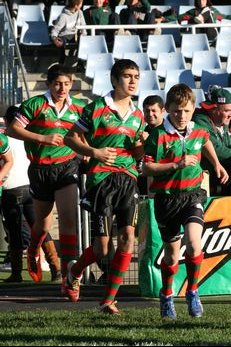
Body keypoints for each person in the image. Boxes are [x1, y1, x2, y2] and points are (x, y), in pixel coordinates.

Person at [63, 59, 144, 313]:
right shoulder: (97, 108)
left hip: (128, 178)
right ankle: (74, 271)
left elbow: (138, 152)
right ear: (114, 80)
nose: (133, 81)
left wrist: (143, 146)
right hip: (102, 180)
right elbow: (70, 137)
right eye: (127, 76)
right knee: (102, 248)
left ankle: (108, 300)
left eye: (136, 76)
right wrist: (93, 152)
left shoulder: (138, 114)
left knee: (128, 238)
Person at [143, 83, 229, 319]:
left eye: (187, 111)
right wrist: (176, 165)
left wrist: (217, 164)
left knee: (194, 244)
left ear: (193, 110)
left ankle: (192, 290)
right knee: (171, 256)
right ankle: (167, 293)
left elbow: (207, 142)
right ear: (168, 110)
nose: (182, 116)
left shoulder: (198, 130)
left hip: (192, 196)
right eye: (177, 111)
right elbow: (146, 168)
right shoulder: (158, 136)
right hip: (167, 200)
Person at [6, 64, 86, 296]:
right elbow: (12, 130)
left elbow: (85, 133)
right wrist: (43, 137)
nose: (63, 88)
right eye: (58, 84)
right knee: (43, 224)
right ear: (49, 84)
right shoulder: (35, 104)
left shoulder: (79, 108)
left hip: (66, 167)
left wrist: (89, 152)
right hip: (40, 169)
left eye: (67, 84)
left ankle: (68, 279)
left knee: (69, 222)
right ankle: (33, 249)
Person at [1, 105, 61, 283]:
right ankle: (56, 268)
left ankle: (17, 273)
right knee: (40, 228)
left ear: (6, 121)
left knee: (15, 232)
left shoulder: (5, 138)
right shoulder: (29, 137)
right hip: (31, 187)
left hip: (10, 189)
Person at [193, 85, 231, 196]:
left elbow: (228, 146)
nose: (230, 115)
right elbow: (219, 152)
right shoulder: (200, 121)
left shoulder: (221, 122)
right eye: (227, 111)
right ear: (214, 109)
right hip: (207, 175)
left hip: (221, 172)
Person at [137, 95, 165, 196]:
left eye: (154, 110)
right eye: (147, 111)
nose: (150, 114)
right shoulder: (140, 131)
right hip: (141, 178)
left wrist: (147, 142)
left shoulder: (170, 131)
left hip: (163, 179)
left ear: (163, 111)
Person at [50, 0, 87, 71]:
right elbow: (56, 29)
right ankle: (61, 62)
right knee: (61, 42)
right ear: (76, 5)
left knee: (82, 40)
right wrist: (54, 38)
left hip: (74, 35)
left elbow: (83, 26)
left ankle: (80, 63)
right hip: (64, 35)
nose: (82, 5)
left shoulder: (80, 13)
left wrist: (84, 35)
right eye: (81, 4)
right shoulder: (63, 16)